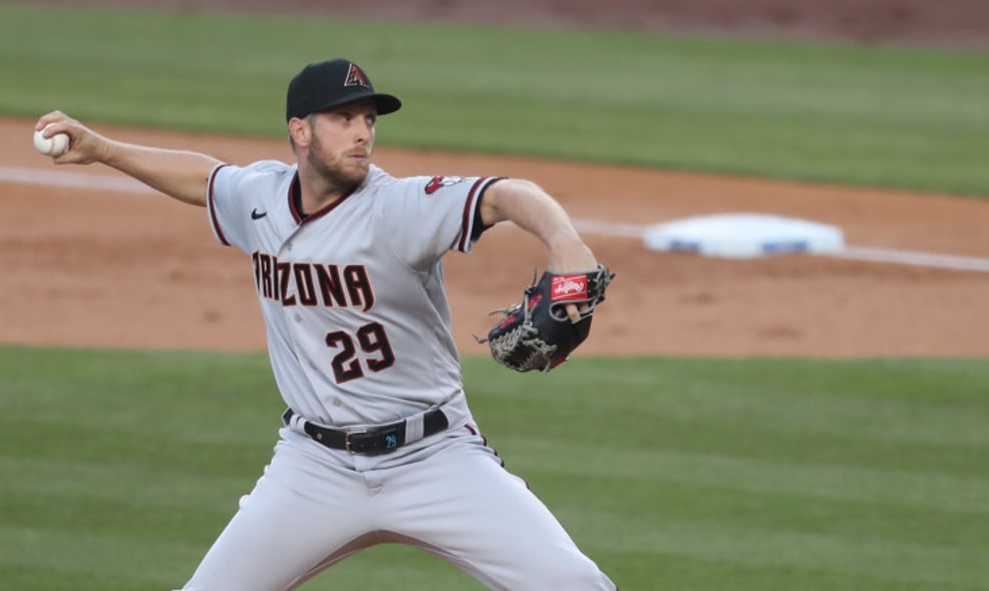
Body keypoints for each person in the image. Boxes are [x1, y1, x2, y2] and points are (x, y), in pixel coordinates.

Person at [34, 58, 616, 590]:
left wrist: (564, 241)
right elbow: (206, 179)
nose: (363, 132)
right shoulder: (260, 198)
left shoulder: (397, 208)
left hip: (434, 458)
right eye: (343, 118)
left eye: (368, 118)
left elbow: (507, 195)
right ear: (300, 131)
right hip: (313, 468)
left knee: (576, 585)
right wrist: (102, 148)